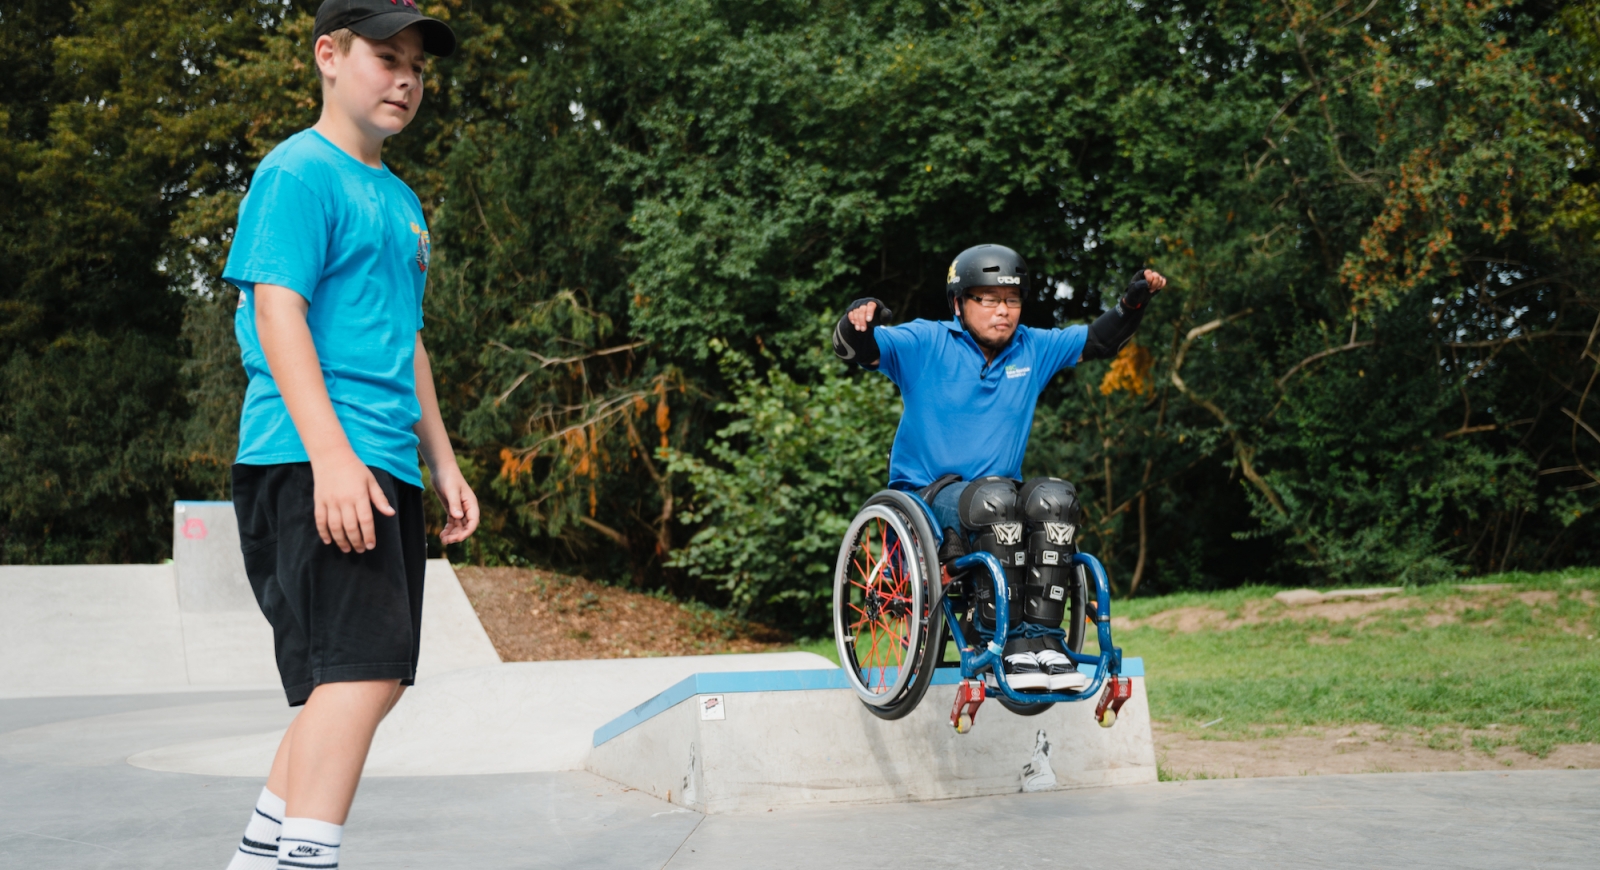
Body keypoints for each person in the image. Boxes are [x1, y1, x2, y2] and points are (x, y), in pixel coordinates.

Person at [217, 2, 476, 868]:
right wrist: (330, 456)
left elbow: (406, 338)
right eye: (385, 57)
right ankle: (304, 858)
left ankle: (261, 851)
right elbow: (275, 307)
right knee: (362, 670)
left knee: (368, 676)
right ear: (329, 55)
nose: (405, 77)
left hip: (383, 457)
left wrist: (442, 462)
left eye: (417, 65)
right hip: (312, 455)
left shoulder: (400, 201)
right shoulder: (298, 173)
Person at [832, 244, 1164, 693]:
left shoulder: (1032, 347)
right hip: (929, 499)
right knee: (996, 500)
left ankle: (1044, 642)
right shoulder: (926, 342)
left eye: (1010, 299)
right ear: (959, 303)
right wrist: (858, 321)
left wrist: (1132, 304)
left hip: (998, 493)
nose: (1001, 311)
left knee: (1055, 499)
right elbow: (858, 350)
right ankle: (1000, 643)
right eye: (986, 299)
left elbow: (1099, 340)